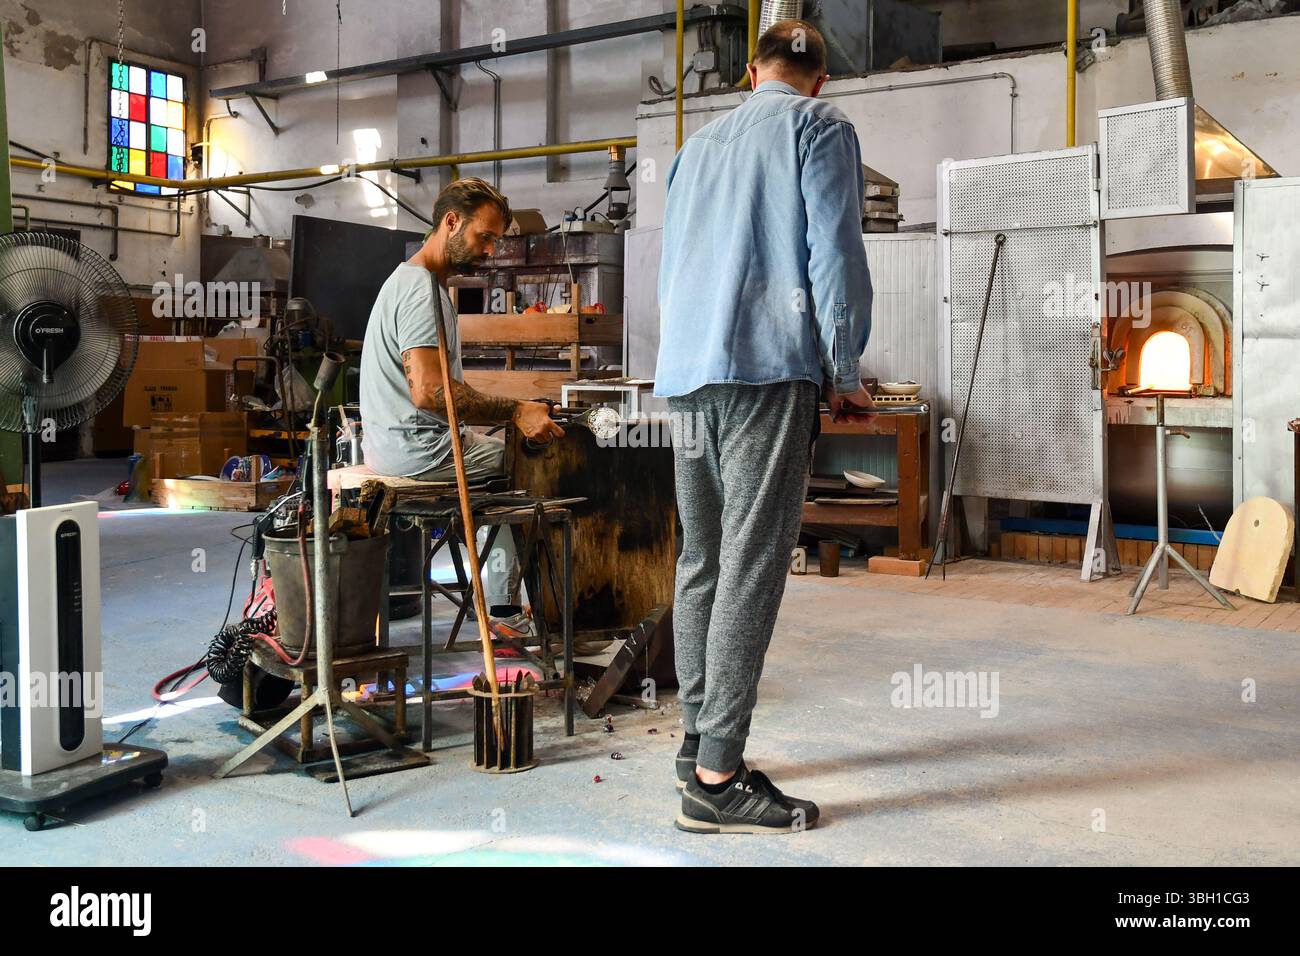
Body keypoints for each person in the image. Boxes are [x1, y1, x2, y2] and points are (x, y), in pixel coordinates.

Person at [655, 19, 875, 834]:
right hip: (765, 370)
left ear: (752, 71)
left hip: (686, 378)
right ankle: (716, 777)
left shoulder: (697, 146)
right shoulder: (820, 126)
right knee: (752, 562)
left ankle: (694, 743)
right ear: (819, 77)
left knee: (703, 560)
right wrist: (843, 371)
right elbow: (834, 258)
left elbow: (673, 267)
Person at [359, 177, 564, 614]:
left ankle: (502, 600)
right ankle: (525, 612)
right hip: (418, 453)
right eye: (484, 236)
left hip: (398, 445)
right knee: (539, 463)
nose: (489, 250)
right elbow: (431, 392)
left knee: (507, 452)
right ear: (451, 222)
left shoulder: (410, 281)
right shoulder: (418, 290)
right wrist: (516, 411)